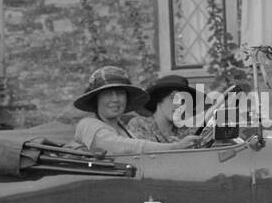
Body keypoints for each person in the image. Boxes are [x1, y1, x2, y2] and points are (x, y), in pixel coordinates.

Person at [72, 66, 209, 155]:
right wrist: (175, 147)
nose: (115, 99)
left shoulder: (127, 132)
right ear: (96, 99)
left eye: (120, 93)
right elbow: (117, 147)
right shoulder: (87, 124)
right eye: (108, 94)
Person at [128, 73, 198, 145]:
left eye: (183, 101)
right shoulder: (140, 124)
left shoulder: (185, 129)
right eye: (173, 98)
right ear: (160, 99)